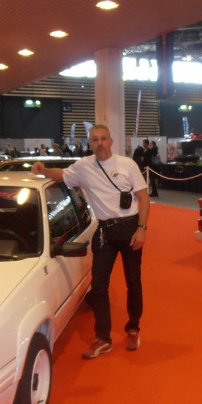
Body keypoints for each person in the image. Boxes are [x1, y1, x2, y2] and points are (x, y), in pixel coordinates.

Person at [31, 124, 150, 359]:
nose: (99, 143)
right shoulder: (83, 166)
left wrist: (141, 228)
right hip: (105, 231)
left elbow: (143, 198)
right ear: (90, 143)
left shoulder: (127, 164)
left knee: (133, 282)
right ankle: (103, 338)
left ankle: (133, 328)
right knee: (98, 286)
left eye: (103, 138)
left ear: (111, 141)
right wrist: (43, 169)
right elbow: (61, 175)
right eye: (95, 139)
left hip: (130, 228)